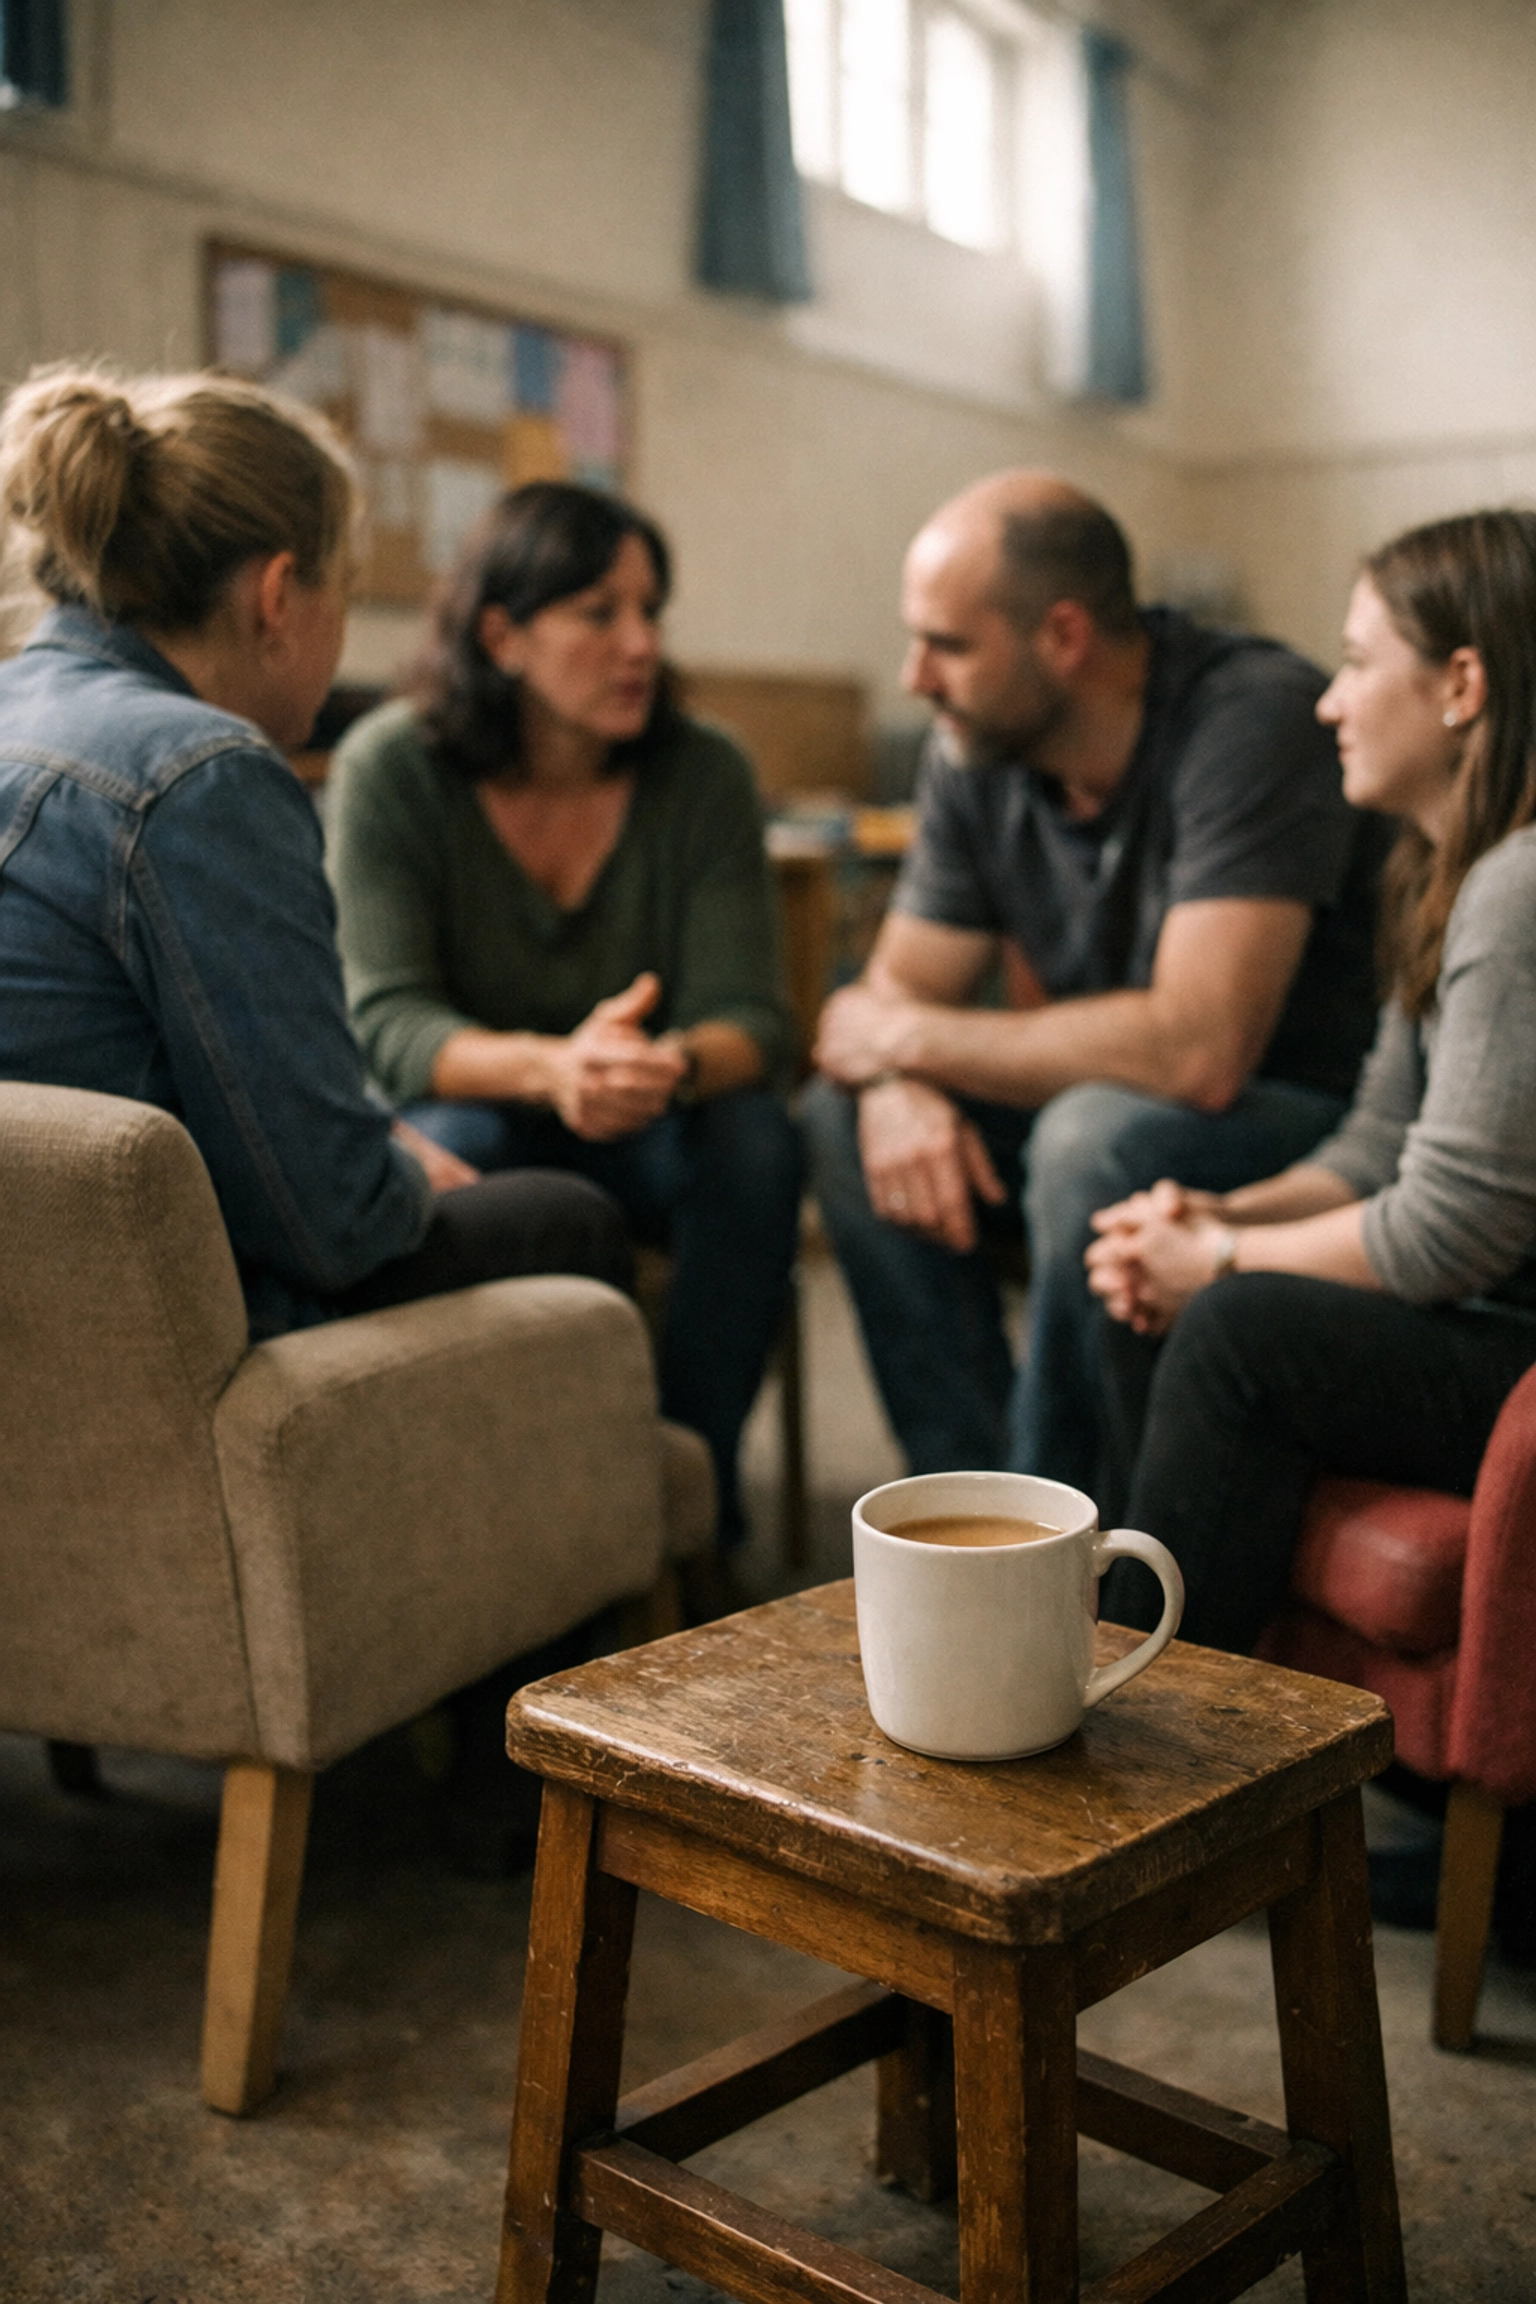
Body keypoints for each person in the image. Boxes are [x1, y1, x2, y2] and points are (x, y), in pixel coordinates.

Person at [0, 366, 638, 1873]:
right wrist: (390, 1157)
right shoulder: (201, 772)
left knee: (449, 1162)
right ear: (280, 593)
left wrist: (373, 1136)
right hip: (181, 1351)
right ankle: (511, 1769)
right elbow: (332, 1221)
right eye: (350, 592)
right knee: (562, 1216)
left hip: (39, 1353)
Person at [804, 470, 1386, 1492]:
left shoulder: (1253, 718)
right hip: (1111, 1099)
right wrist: (895, 1085)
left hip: (1302, 1124)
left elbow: (1199, 1051)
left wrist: (901, 1043)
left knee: (1090, 1138)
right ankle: (969, 1501)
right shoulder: (974, 752)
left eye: (947, 643)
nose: (914, 678)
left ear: (1063, 636)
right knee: (840, 1117)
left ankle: (1066, 1542)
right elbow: (883, 1004)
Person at [1086, 509, 1536, 1654]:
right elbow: (1377, 1143)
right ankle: (1194, 1706)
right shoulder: (1448, 870)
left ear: (1463, 684)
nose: (1330, 702)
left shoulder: (1520, 888)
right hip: (1494, 1315)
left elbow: (1450, 1234)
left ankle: (1150, 1747)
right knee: (1156, 1270)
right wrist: (1214, 1215)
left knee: (1238, 1328)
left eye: (1356, 661)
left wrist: (1222, 1263)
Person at [326, 481, 803, 1554]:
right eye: (599, 613)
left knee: (759, 1142)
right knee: (455, 1149)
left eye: (650, 610)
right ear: (502, 636)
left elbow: (754, 1020)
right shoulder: (392, 768)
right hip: (483, 1108)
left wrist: (663, 1068)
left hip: (652, 1112)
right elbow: (386, 1023)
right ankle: (519, 1520)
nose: (639, 643)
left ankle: (686, 1492)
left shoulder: (704, 768)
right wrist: (552, 1069)